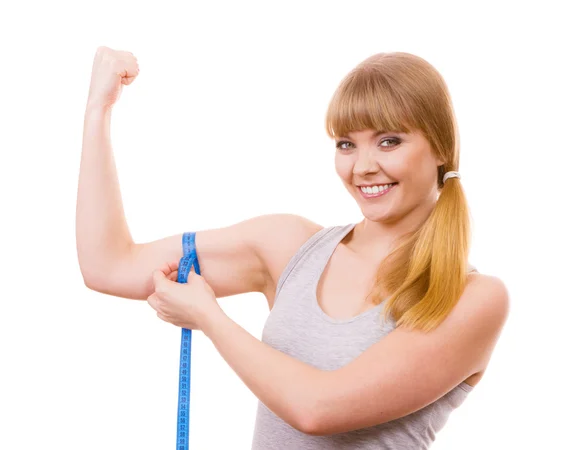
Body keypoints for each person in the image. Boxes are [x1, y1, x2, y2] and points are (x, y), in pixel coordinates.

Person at [76, 47, 509, 449]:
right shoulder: (289, 246)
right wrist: (99, 110)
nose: (362, 166)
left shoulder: (471, 298)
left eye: (389, 141)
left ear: (440, 147)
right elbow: (109, 265)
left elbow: (317, 408)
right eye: (346, 144)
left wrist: (208, 317)